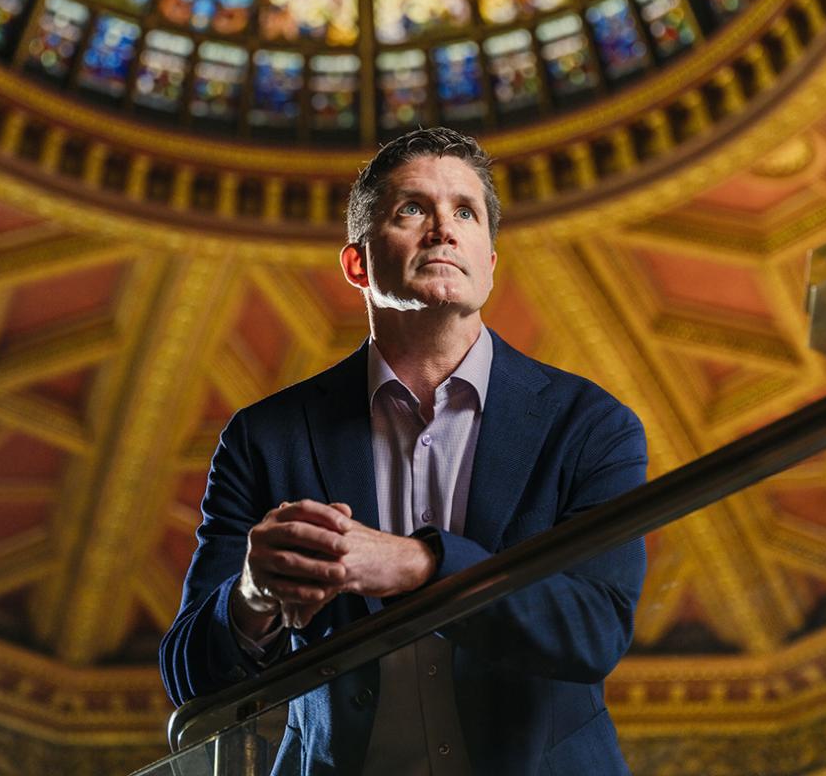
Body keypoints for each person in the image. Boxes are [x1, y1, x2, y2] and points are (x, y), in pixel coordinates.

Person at [160, 128, 647, 775]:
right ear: (357, 264)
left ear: (489, 263)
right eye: (412, 209)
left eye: (465, 212)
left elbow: (595, 631)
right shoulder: (265, 437)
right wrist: (253, 595)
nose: (444, 229)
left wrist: (421, 566)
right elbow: (190, 682)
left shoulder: (591, 425)